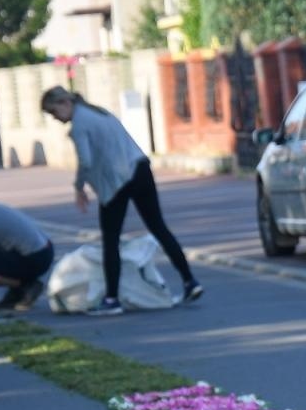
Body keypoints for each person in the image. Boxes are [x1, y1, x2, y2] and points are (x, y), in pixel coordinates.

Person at [40, 85, 202, 316]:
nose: (56, 119)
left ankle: (111, 298)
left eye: (54, 112)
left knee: (110, 240)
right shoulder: (100, 113)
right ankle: (190, 281)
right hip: (140, 169)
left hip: (115, 182)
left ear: (65, 103)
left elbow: (85, 161)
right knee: (158, 227)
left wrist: (78, 187)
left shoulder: (79, 126)